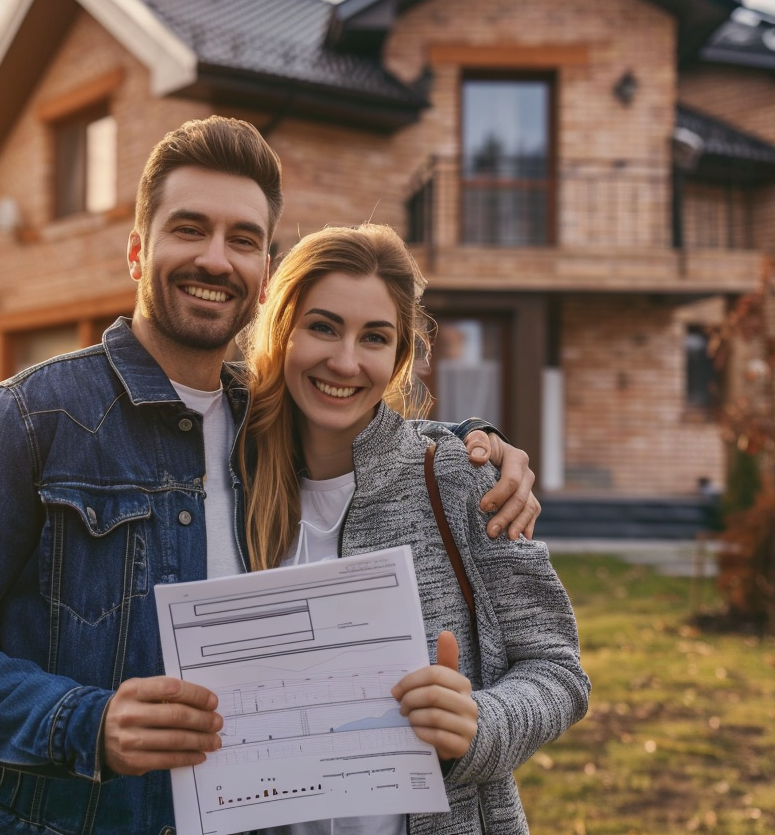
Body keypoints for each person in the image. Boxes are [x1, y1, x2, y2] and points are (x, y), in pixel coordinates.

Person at [0, 116, 542, 835]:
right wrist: (87, 724)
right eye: (189, 229)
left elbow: (373, 427)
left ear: (264, 277)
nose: (215, 260)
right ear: (138, 251)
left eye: (243, 240)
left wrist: (477, 444)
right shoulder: (30, 418)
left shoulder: (268, 427)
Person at [240, 223, 590, 835]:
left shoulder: (460, 479)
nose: (345, 361)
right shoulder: (225, 480)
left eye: (374, 337)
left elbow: (558, 670)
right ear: (281, 331)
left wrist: (478, 725)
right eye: (323, 327)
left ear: (399, 357)